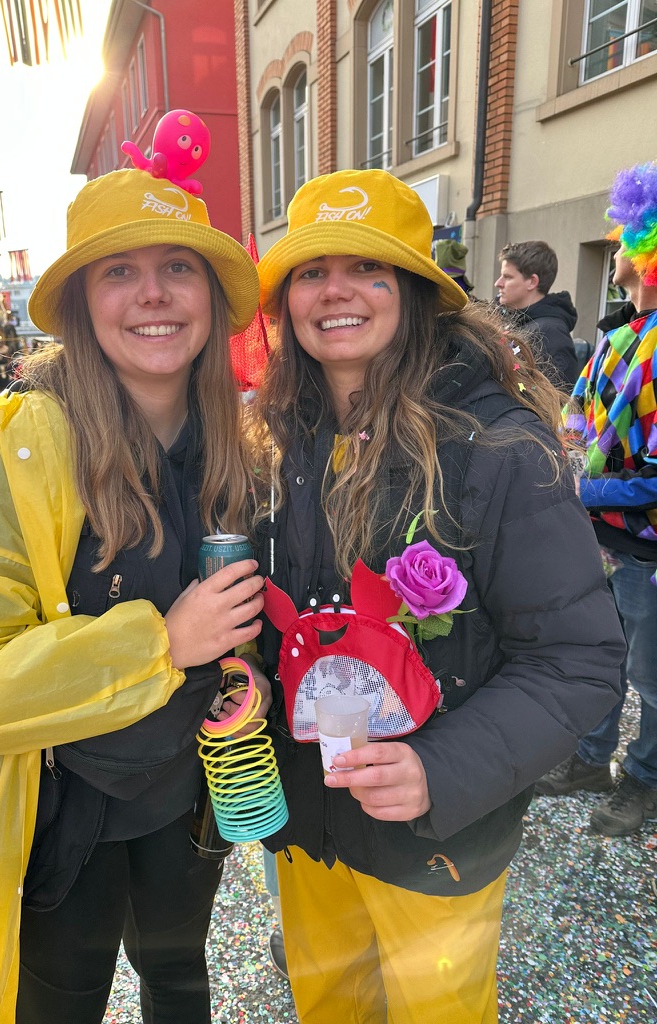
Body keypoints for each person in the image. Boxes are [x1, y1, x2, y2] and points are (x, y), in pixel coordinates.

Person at [0, 165, 268, 1024]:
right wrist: (159, 645)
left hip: (188, 800)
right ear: (80, 305)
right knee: (61, 1004)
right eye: (119, 271)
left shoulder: (238, 445)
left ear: (210, 296)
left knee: (180, 978)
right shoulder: (13, 454)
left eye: (178, 267)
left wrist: (251, 673)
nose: (153, 294)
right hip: (61, 816)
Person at [251, 168, 625, 1024]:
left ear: (417, 290)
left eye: (368, 268)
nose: (336, 290)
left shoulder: (499, 449)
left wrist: (440, 769)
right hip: (309, 830)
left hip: (436, 842)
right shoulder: (274, 442)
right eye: (312, 271)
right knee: (328, 1007)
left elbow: (578, 661)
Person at [536, 161, 657, 836]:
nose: (615, 247)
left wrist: (584, 486)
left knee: (652, 676)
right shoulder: (619, 336)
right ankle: (590, 759)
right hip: (598, 538)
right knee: (600, 655)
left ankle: (644, 778)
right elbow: (578, 419)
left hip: (645, 549)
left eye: (624, 238)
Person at [495, 239, 579, 391]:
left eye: (507, 277)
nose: (498, 283)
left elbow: (559, 397)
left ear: (532, 282)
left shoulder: (550, 333)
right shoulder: (516, 323)